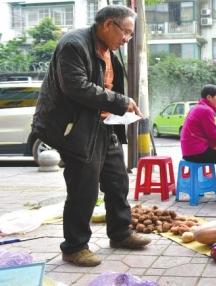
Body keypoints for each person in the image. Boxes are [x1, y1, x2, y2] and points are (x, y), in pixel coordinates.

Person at [32, 6, 151, 267]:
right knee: (83, 188)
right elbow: (76, 86)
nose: (127, 40)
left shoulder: (108, 50)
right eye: (126, 33)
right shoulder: (73, 45)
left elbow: (106, 86)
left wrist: (119, 109)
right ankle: (75, 247)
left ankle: (120, 233)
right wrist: (122, 101)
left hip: (104, 124)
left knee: (118, 181)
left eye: (131, 35)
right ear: (109, 25)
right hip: (76, 128)